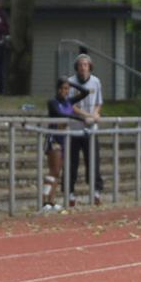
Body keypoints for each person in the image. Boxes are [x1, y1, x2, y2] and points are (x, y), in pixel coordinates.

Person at [42, 77, 89, 212]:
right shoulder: (52, 102)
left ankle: (51, 201)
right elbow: (59, 114)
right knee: (54, 170)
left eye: (67, 89)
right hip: (54, 138)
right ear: (58, 89)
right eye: (62, 88)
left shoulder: (69, 101)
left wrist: (71, 83)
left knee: (58, 172)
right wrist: (80, 118)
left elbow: (85, 92)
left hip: (64, 139)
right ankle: (45, 201)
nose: (65, 91)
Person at [67, 54, 104, 206]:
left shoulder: (95, 82)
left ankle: (96, 191)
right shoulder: (70, 82)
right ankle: (69, 193)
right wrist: (87, 116)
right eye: (81, 65)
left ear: (90, 67)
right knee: (72, 162)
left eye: (86, 65)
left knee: (93, 161)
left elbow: (99, 102)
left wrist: (95, 114)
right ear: (77, 67)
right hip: (75, 128)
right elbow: (71, 106)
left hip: (91, 129)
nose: (83, 68)